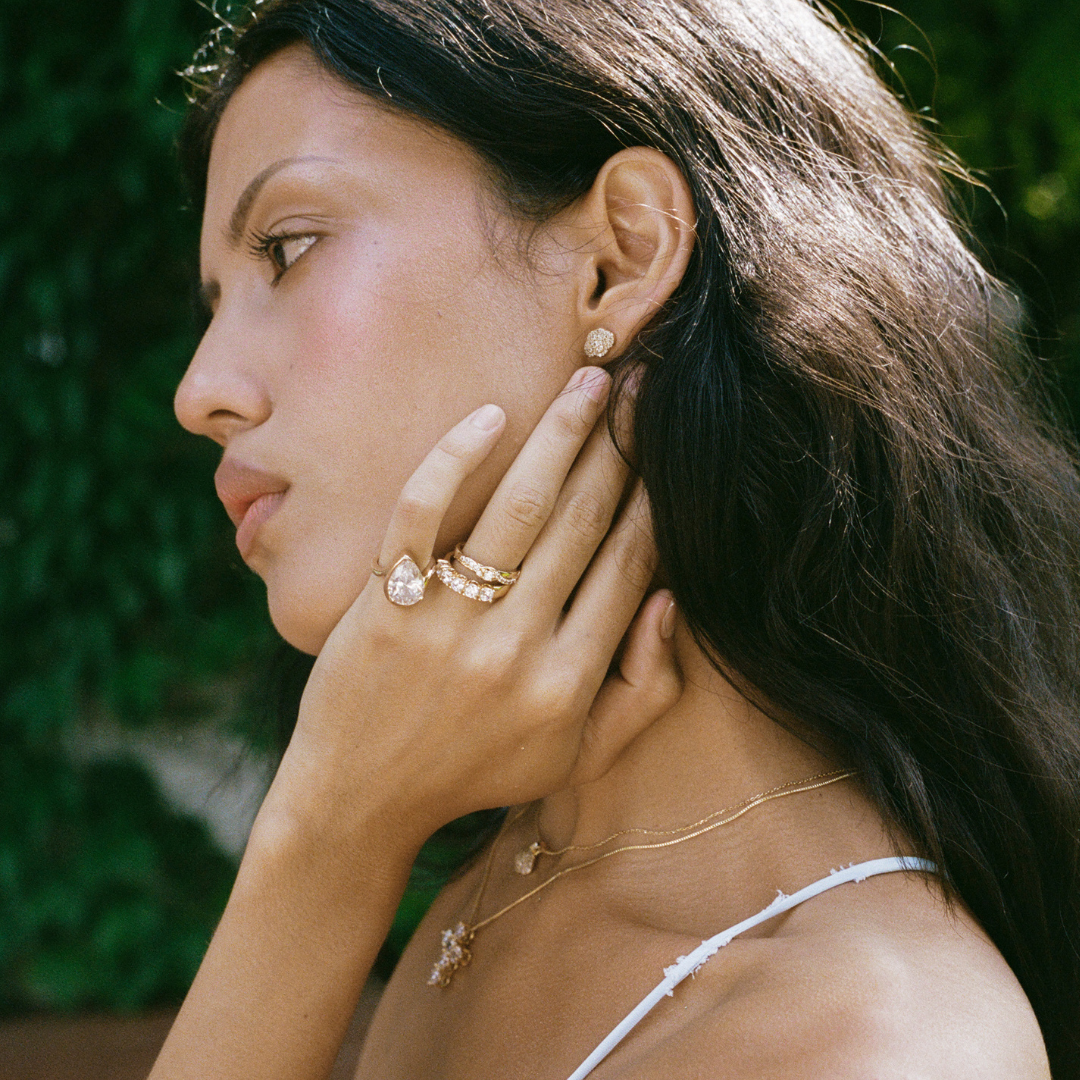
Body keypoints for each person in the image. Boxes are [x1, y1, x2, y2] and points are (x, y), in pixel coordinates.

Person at [154, 0, 1080, 1076]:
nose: (199, 392)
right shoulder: (495, 894)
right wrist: (332, 843)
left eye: (289, 246)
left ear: (620, 255)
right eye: (213, 305)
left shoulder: (875, 1041)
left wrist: (323, 845)